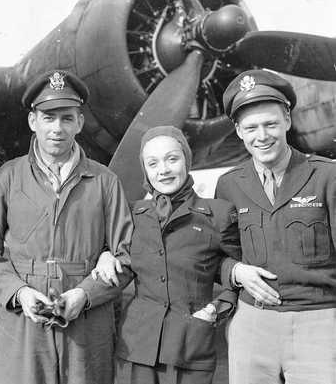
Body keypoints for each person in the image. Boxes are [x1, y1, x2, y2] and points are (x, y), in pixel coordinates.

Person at [0, 70, 133, 384]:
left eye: (67, 118)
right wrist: (19, 293)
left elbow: (128, 256)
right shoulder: (6, 178)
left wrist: (86, 294)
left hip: (87, 322)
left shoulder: (105, 182)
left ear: (80, 123)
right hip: (23, 321)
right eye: (48, 117)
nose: (57, 128)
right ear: (33, 121)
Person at [94, 126, 241, 384]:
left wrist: (217, 309)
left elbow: (237, 274)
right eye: (153, 163)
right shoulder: (132, 215)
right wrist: (106, 254)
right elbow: (118, 253)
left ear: (187, 160)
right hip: (136, 348)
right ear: (146, 171)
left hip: (190, 347)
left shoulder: (217, 215)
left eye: (172, 159)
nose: (163, 170)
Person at [216, 69, 336, 384]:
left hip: (319, 321)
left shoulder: (325, 176)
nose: (262, 136)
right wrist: (235, 272)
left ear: (287, 120)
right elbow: (218, 254)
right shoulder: (229, 185)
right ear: (239, 131)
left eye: (270, 124)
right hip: (252, 322)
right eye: (251, 127)